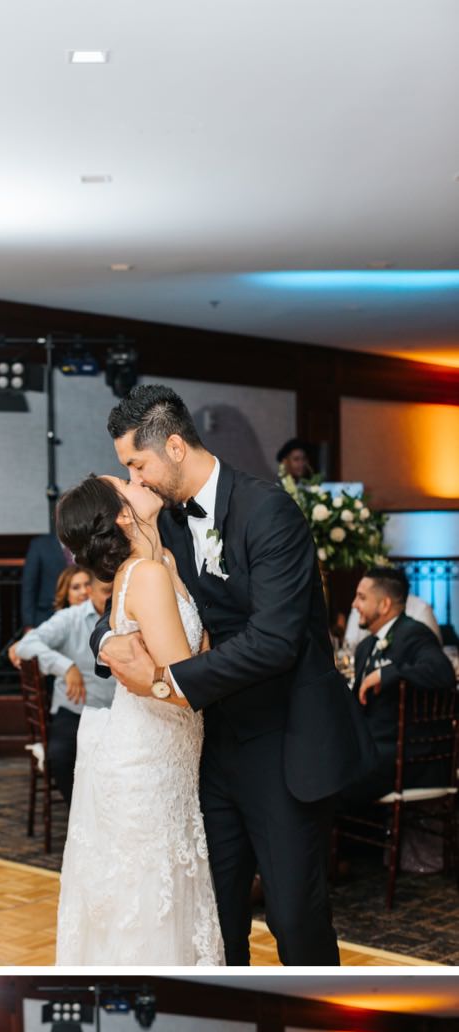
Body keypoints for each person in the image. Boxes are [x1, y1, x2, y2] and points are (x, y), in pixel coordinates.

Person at [92, 385, 371, 967]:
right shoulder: (163, 524)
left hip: (286, 741)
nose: (136, 481)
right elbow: (113, 604)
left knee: (296, 919)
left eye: (137, 466)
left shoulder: (268, 511)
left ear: (173, 445)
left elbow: (274, 642)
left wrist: (169, 680)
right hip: (212, 749)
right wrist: (110, 640)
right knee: (213, 921)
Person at [55, 470, 224, 965]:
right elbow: (187, 680)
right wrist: (160, 677)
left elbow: (190, 660)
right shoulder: (145, 574)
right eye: (126, 482)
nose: (139, 480)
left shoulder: (162, 561)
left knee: (166, 895)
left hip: (169, 759)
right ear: (122, 514)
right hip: (145, 766)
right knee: (146, 906)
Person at [343, 567, 456, 803]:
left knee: (327, 781)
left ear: (384, 605)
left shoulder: (415, 634)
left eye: (362, 597)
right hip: (371, 749)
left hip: (406, 755)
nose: (354, 604)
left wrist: (387, 674)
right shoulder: (365, 647)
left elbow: (442, 671)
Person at [10, 569, 115, 799]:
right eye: (106, 591)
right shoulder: (70, 618)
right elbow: (26, 645)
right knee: (61, 755)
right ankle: (78, 816)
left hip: (118, 713)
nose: (111, 597)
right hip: (76, 709)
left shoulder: (126, 618)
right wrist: (66, 667)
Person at [21, 528, 71, 624]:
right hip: (46, 616)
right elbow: (29, 587)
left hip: (78, 616)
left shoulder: (85, 543)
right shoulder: (39, 545)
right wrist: (28, 623)